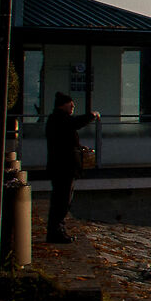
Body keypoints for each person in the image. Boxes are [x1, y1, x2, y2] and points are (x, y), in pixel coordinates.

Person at [43, 92, 98, 244]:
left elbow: (66, 138)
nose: (73, 106)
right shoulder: (59, 119)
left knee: (62, 200)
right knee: (62, 201)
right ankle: (56, 232)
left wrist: (79, 147)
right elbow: (75, 123)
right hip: (63, 167)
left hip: (63, 167)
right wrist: (91, 115)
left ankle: (57, 230)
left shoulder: (57, 120)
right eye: (70, 104)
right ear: (63, 105)